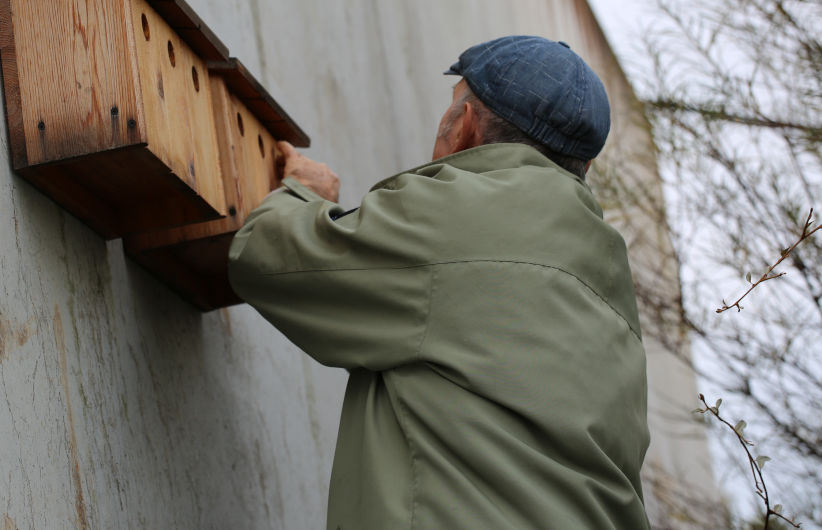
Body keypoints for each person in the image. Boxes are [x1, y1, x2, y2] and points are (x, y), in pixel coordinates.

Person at [228, 36, 650, 529]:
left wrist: (303, 194)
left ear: (465, 128)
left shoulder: (455, 215)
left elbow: (264, 255)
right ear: (585, 166)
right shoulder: (613, 286)